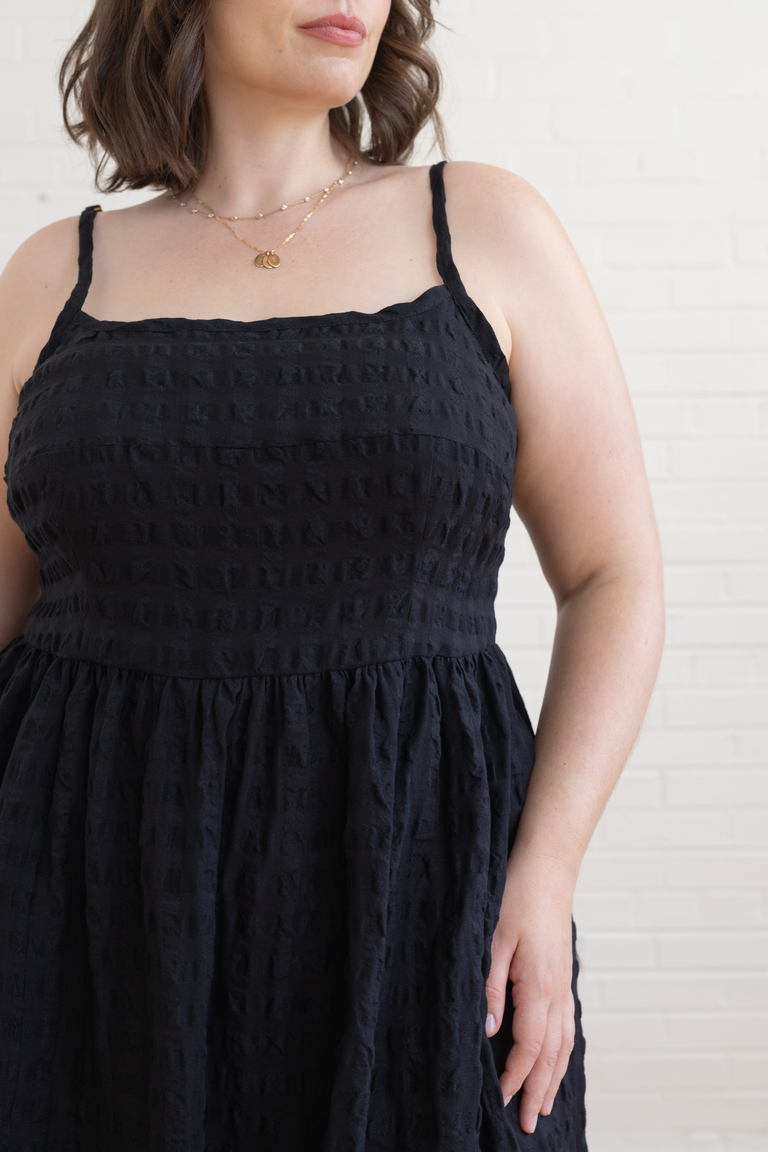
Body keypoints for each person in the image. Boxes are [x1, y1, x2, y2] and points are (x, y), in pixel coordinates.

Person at [0, 1, 664, 1149]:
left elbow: (615, 574)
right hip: (91, 912)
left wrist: (546, 871)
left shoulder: (486, 227)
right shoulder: (52, 273)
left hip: (423, 896)